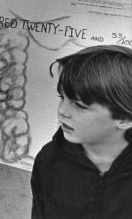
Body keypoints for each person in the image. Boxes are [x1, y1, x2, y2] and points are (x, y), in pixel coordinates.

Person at [31, 45, 132, 219]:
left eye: (79, 105)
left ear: (125, 119)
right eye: (62, 98)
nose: (62, 111)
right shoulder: (49, 159)